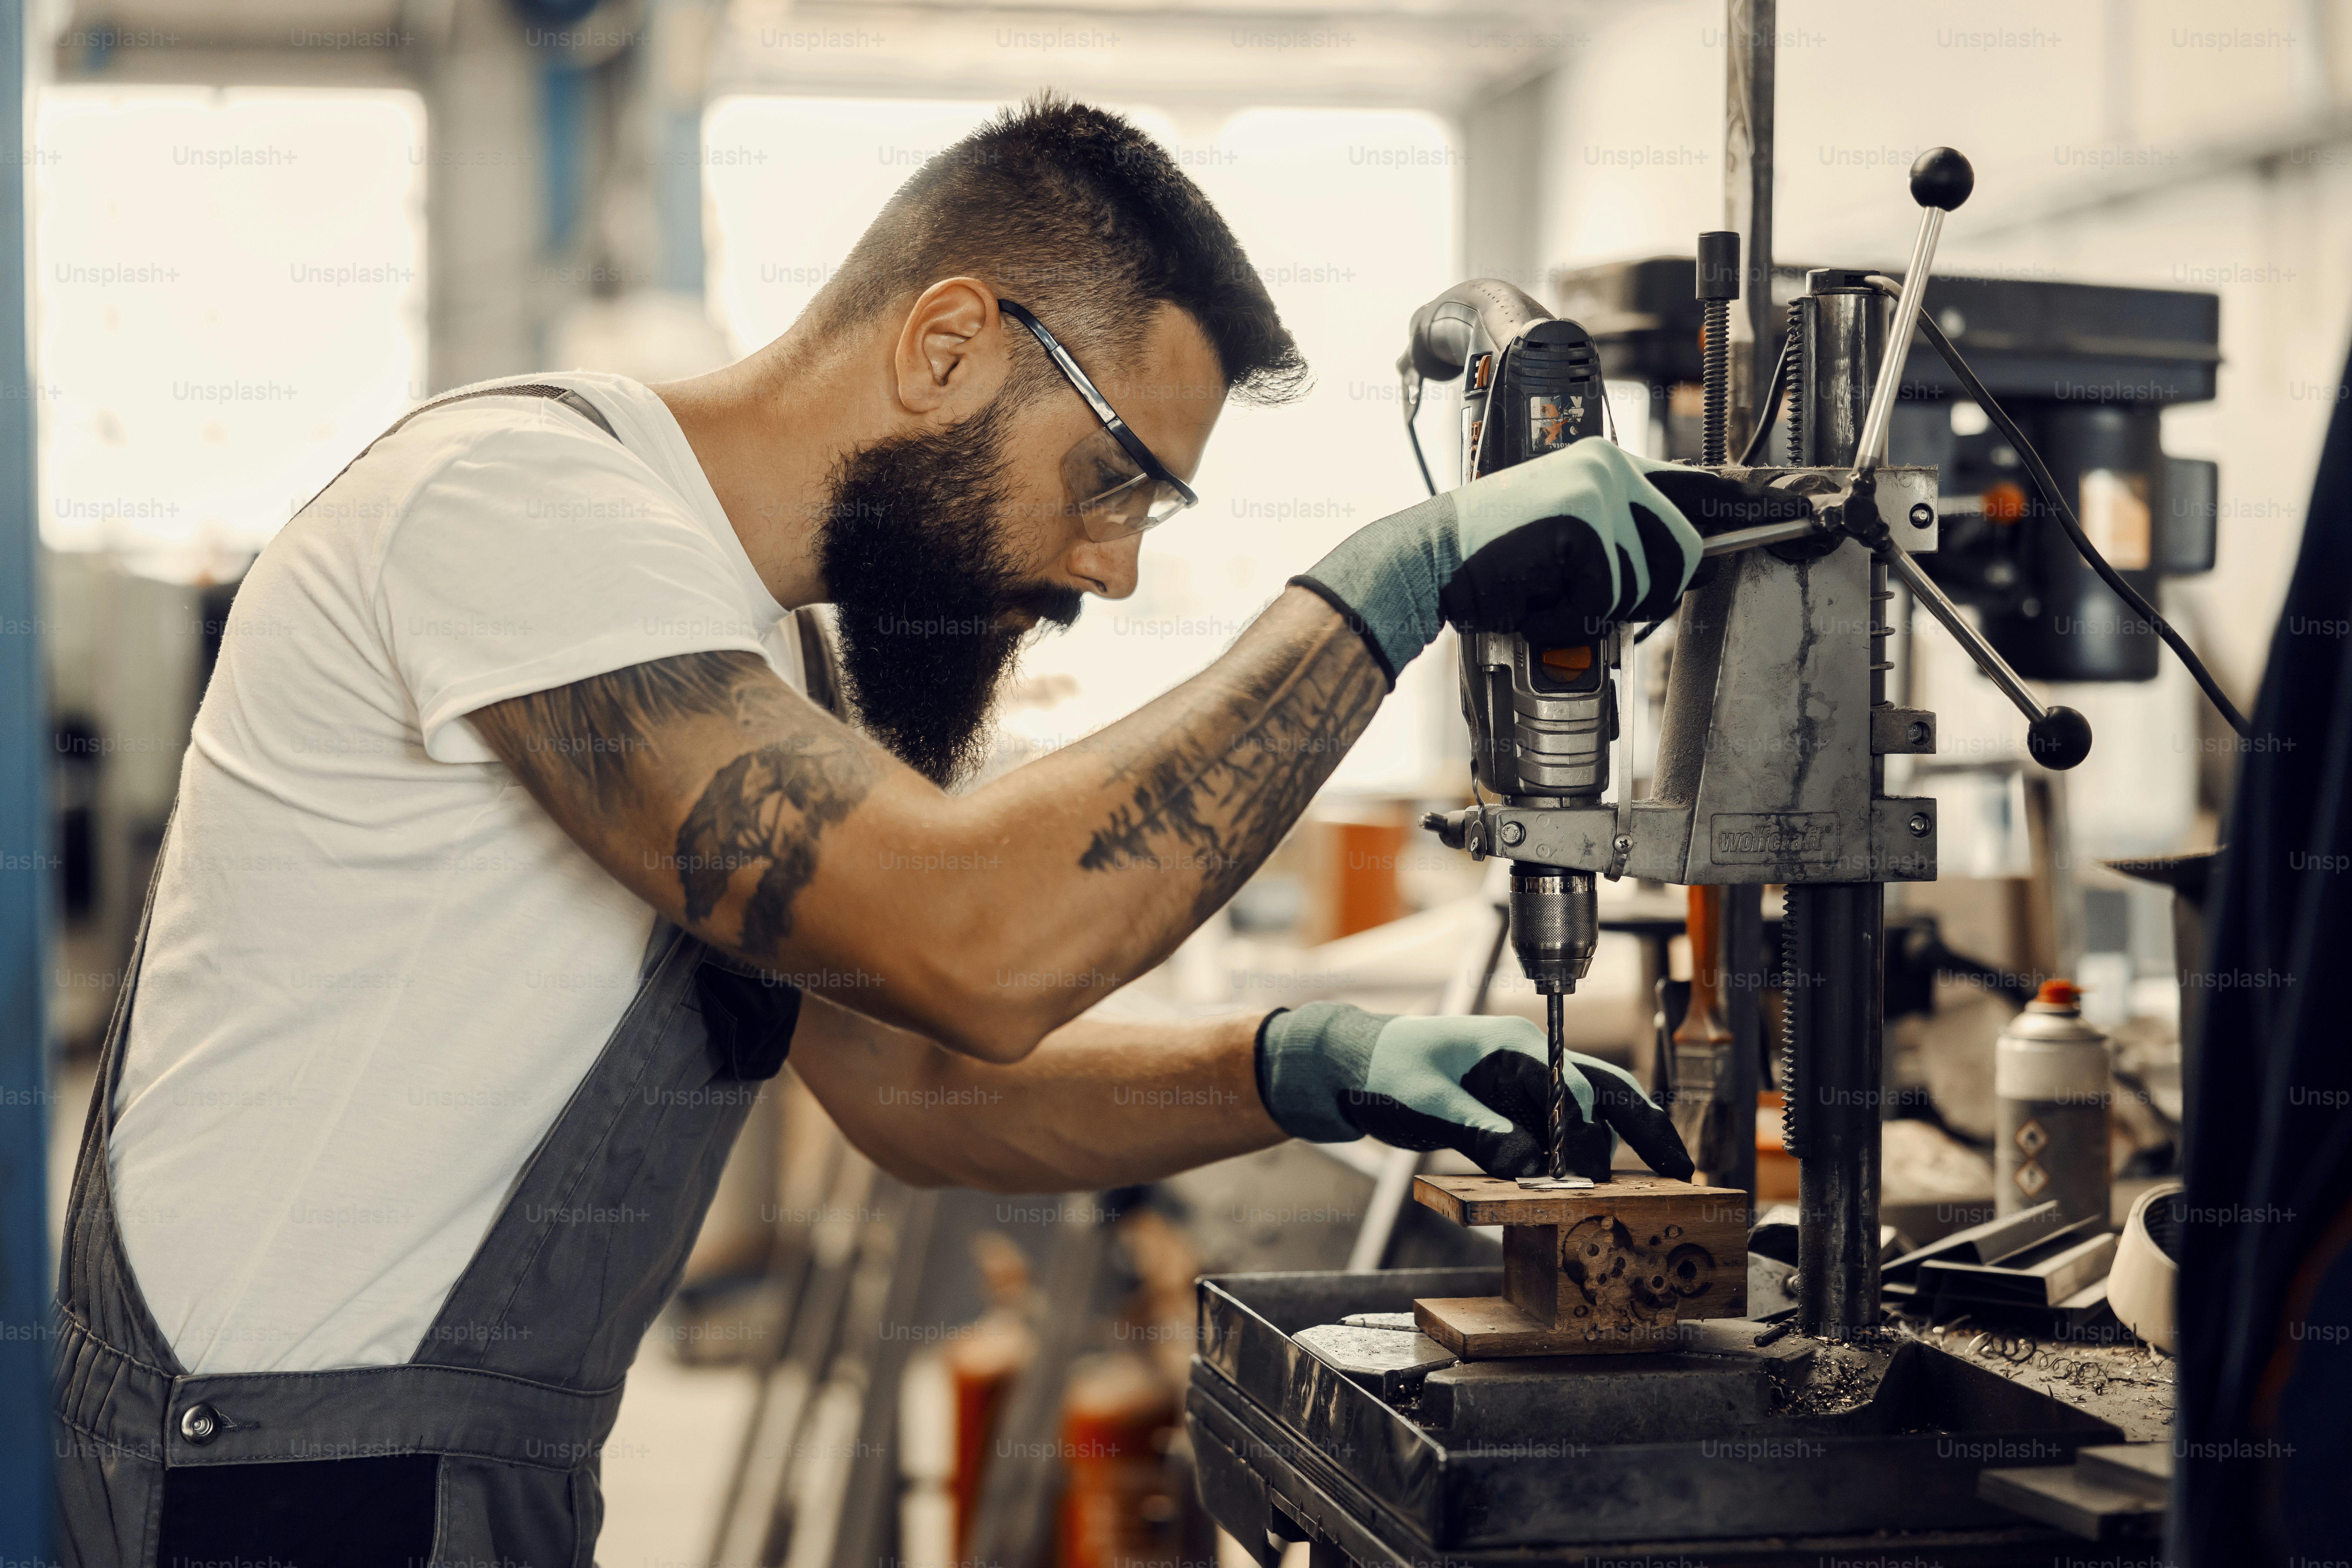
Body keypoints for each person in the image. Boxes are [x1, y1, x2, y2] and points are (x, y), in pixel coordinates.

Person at [56, 94, 1764, 1567]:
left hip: (457, 1467)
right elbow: (973, 937)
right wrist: (1392, 581)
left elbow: (922, 1088)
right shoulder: (519, 509)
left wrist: (1302, 1063)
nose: (1115, 569)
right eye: (1118, 483)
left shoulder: (750, 647)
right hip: (278, 1485)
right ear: (946, 345)